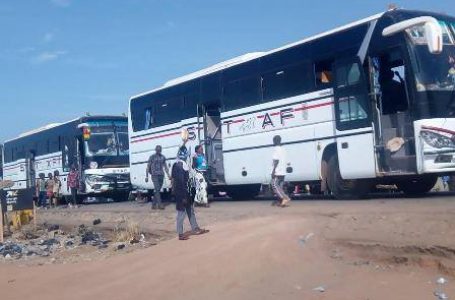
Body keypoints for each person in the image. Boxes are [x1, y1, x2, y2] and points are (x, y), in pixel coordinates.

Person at [172, 145, 209, 240]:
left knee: (190, 211)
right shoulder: (179, 165)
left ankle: (195, 228)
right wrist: (183, 196)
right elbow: (180, 182)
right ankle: (180, 234)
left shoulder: (182, 164)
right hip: (182, 194)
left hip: (186, 192)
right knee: (181, 213)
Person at [145, 145, 171, 210]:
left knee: (158, 190)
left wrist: (168, 175)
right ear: (155, 150)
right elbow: (148, 166)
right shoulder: (152, 157)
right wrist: (146, 176)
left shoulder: (163, 157)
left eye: (160, 149)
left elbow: (165, 167)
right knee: (157, 189)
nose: (158, 151)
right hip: (154, 175)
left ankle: (153, 205)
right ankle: (160, 205)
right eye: (157, 149)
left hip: (161, 175)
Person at [271, 135, 291, 207]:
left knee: (274, 184)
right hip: (283, 171)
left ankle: (284, 198)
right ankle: (281, 200)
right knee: (280, 187)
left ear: (275, 141)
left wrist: (273, 171)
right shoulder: (283, 149)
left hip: (277, 171)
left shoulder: (276, 149)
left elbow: (276, 160)